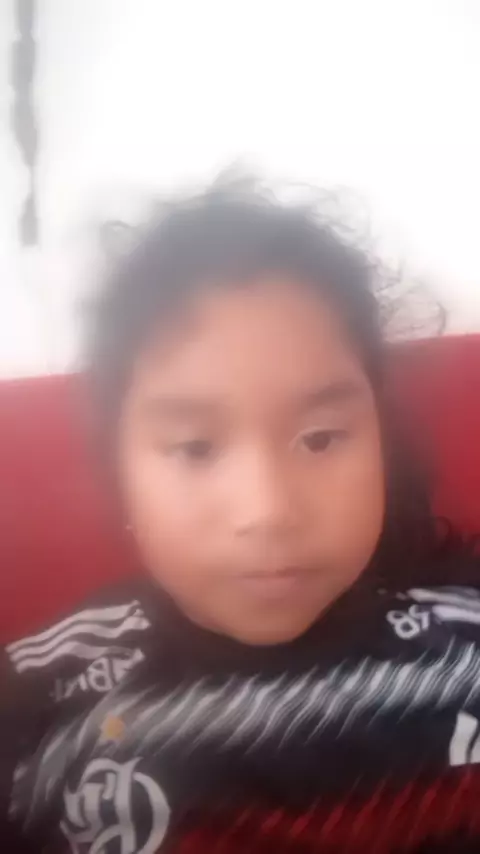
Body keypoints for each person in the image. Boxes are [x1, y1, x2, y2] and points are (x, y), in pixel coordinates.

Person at [2, 176, 480, 854]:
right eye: (195, 448)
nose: (268, 511)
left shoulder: (465, 643)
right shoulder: (40, 696)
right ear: (121, 473)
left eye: (320, 438)